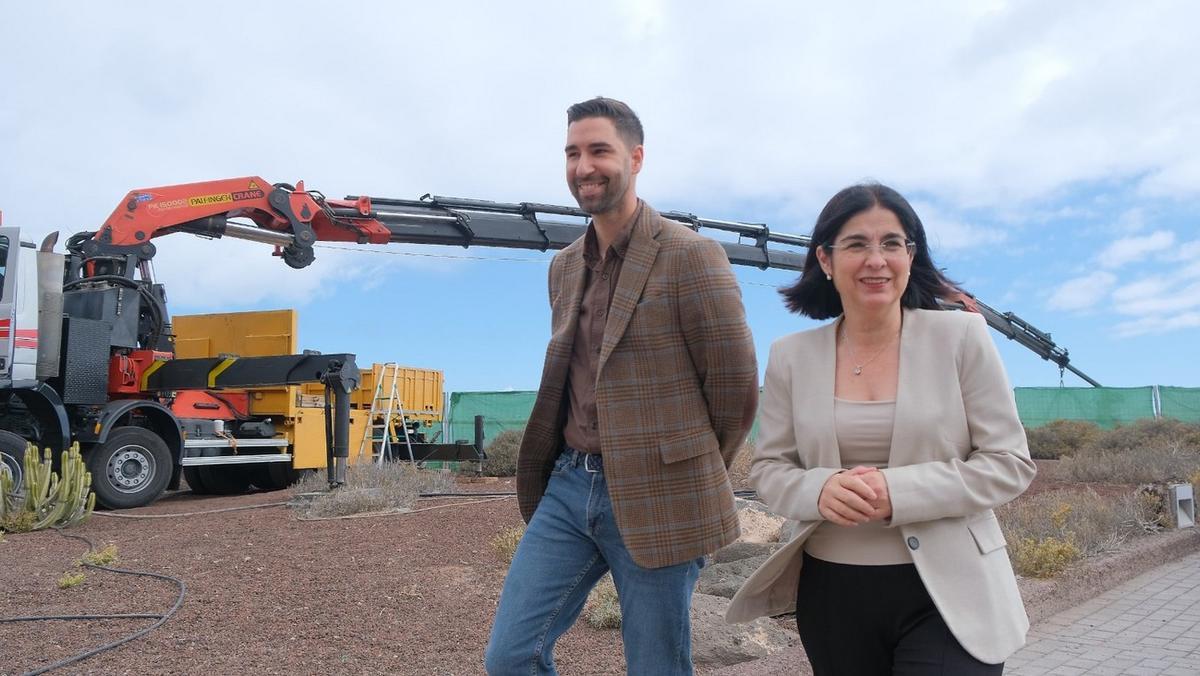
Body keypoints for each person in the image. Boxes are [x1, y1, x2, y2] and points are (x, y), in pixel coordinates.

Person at [484, 97, 758, 676]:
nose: (584, 166)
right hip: (567, 485)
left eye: (599, 150)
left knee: (656, 666)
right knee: (510, 656)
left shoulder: (692, 256)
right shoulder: (563, 266)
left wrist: (685, 467)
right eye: (573, 153)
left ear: (635, 158)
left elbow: (735, 392)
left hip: (661, 492)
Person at [726, 183, 1036, 674]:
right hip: (833, 596)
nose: (877, 259)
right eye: (857, 245)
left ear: (911, 256)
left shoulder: (961, 337)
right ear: (825, 260)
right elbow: (770, 469)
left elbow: (1009, 464)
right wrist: (819, 487)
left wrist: (897, 490)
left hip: (953, 593)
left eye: (892, 243)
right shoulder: (790, 355)